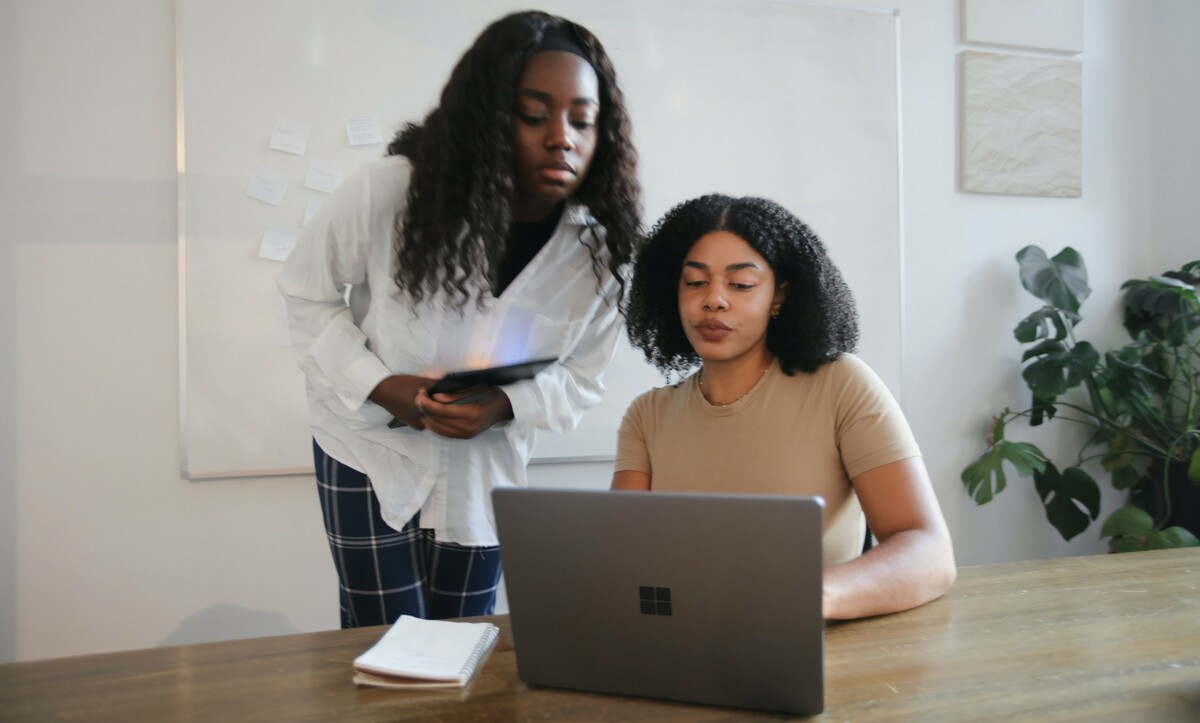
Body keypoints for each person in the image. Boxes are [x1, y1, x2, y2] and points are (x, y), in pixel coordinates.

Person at [278, 11, 641, 627]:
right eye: (534, 115)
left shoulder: (599, 253)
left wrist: (501, 406)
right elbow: (304, 294)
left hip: (483, 471)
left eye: (583, 120)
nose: (563, 138)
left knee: (462, 645)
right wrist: (380, 385)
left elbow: (583, 378)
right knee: (384, 645)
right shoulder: (388, 193)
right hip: (367, 449)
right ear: (488, 117)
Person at [612, 194, 954, 620]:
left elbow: (929, 551)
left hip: (815, 652)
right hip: (684, 641)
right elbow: (623, 564)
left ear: (778, 297)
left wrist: (811, 597)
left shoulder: (841, 385)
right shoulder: (647, 416)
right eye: (695, 282)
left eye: (741, 285)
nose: (713, 300)